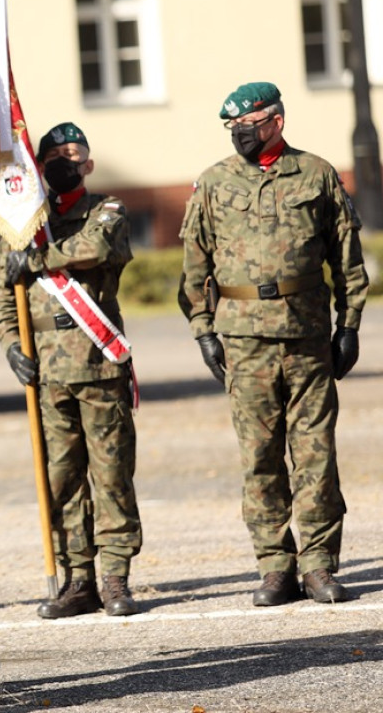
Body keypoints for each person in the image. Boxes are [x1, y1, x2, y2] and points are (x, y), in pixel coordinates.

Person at [178, 82, 369, 607]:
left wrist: (348, 324)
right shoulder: (214, 183)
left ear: (276, 121)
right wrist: (204, 331)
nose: (239, 132)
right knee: (260, 457)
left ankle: (319, 565)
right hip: (244, 340)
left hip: (306, 336)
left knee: (315, 454)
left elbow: (347, 258)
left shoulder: (317, 173)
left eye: (249, 122)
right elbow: (195, 264)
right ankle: (274, 566)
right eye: (232, 126)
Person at [0, 122, 141, 619]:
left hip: (98, 363)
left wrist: (35, 258)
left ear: (88, 164)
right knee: (62, 478)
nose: (62, 161)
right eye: (52, 155)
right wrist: (12, 344)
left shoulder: (106, 211)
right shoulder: (21, 224)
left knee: (111, 473)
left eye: (72, 154)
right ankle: (79, 578)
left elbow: (96, 249)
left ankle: (116, 576)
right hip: (46, 372)